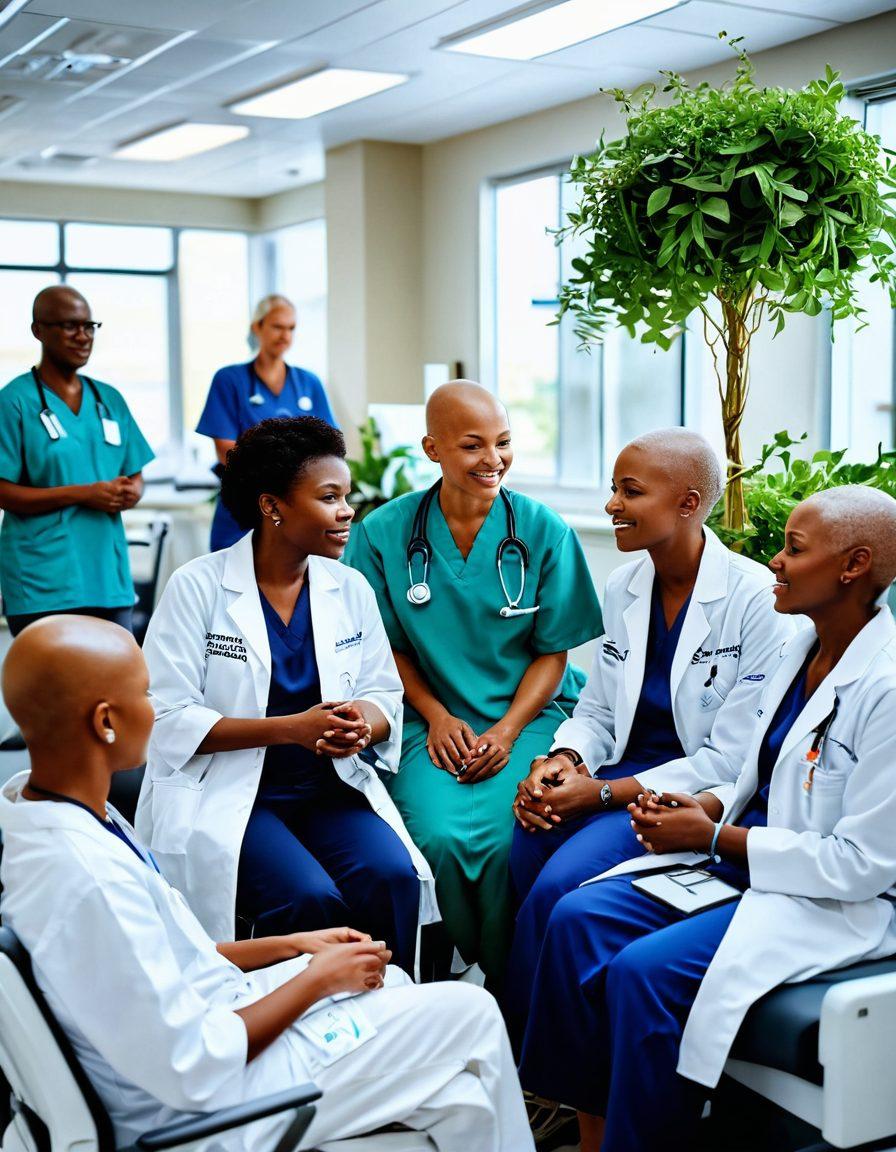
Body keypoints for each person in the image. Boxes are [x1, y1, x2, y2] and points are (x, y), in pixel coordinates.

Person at [0, 616, 535, 1152]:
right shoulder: (89, 877)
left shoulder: (53, 819)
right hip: (205, 1107)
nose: (156, 707)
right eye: (144, 693)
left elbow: (157, 958)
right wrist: (315, 981)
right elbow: (190, 1063)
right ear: (105, 723)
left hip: (197, 1038)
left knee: (458, 1093)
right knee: (472, 1014)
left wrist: (296, 947)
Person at [518, 485, 896, 1152]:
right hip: (744, 857)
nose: (774, 561)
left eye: (793, 549)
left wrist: (717, 834)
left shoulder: (885, 689)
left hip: (826, 898)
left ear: (854, 565)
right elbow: (756, 773)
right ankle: (587, 1136)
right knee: (576, 919)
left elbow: (862, 865)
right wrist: (702, 809)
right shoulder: (803, 647)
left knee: (644, 972)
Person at [503, 428, 794, 1037]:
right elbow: (600, 708)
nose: (612, 504)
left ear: (688, 504)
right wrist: (563, 758)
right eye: (613, 489)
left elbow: (731, 758)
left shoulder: (754, 601)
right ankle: (557, 1037)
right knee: (530, 837)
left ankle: (540, 1060)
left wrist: (604, 794)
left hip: (679, 794)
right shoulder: (624, 585)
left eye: (629, 492)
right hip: (613, 774)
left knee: (561, 885)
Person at [136, 418, 435, 975]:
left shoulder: (348, 588)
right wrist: (290, 728)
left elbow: (382, 691)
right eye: (329, 497)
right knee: (309, 900)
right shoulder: (198, 587)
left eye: (346, 496)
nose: (347, 510)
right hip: (231, 793)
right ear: (273, 506)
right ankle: (303, 1030)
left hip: (326, 786)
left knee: (393, 878)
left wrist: (363, 724)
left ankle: (389, 1016)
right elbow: (164, 716)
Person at [343, 381, 603, 987]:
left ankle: (517, 991)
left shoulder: (541, 530)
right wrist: (435, 715)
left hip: (527, 712)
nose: (493, 460)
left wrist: (509, 733)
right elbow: (385, 649)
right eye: (472, 445)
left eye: (504, 442)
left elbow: (553, 652)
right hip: (421, 718)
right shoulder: (384, 533)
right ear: (432, 448)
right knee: (433, 835)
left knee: (516, 837)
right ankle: (448, 973)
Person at [0, 285, 153, 636]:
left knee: (115, 684)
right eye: (70, 326)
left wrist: (132, 492)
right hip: (42, 580)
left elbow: (135, 474)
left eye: (89, 326)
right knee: (51, 688)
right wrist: (82, 494)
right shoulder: (14, 402)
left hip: (107, 577)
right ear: (39, 330)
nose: (83, 336)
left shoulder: (109, 399)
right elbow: (3, 492)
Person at [196, 294, 336, 552]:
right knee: (232, 582)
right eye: (277, 326)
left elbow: (328, 449)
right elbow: (226, 450)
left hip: (295, 509)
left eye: (291, 328)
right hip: (242, 508)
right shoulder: (229, 380)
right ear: (256, 327)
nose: (285, 335)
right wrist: (284, 477)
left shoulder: (309, 383)